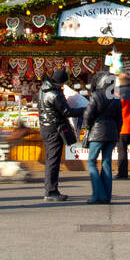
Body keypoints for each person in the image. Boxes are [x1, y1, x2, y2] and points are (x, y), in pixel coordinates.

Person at [37, 68, 81, 202]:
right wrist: (85, 109)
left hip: (45, 128)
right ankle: (51, 191)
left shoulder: (43, 89)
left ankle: (50, 189)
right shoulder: (55, 94)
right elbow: (67, 112)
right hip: (54, 129)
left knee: (51, 159)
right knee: (53, 161)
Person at [81, 68, 121, 204]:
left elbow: (88, 114)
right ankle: (106, 195)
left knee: (91, 162)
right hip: (111, 133)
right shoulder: (116, 98)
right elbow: (119, 120)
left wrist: (88, 126)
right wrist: (117, 133)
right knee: (106, 163)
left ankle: (98, 194)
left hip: (97, 132)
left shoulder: (96, 96)